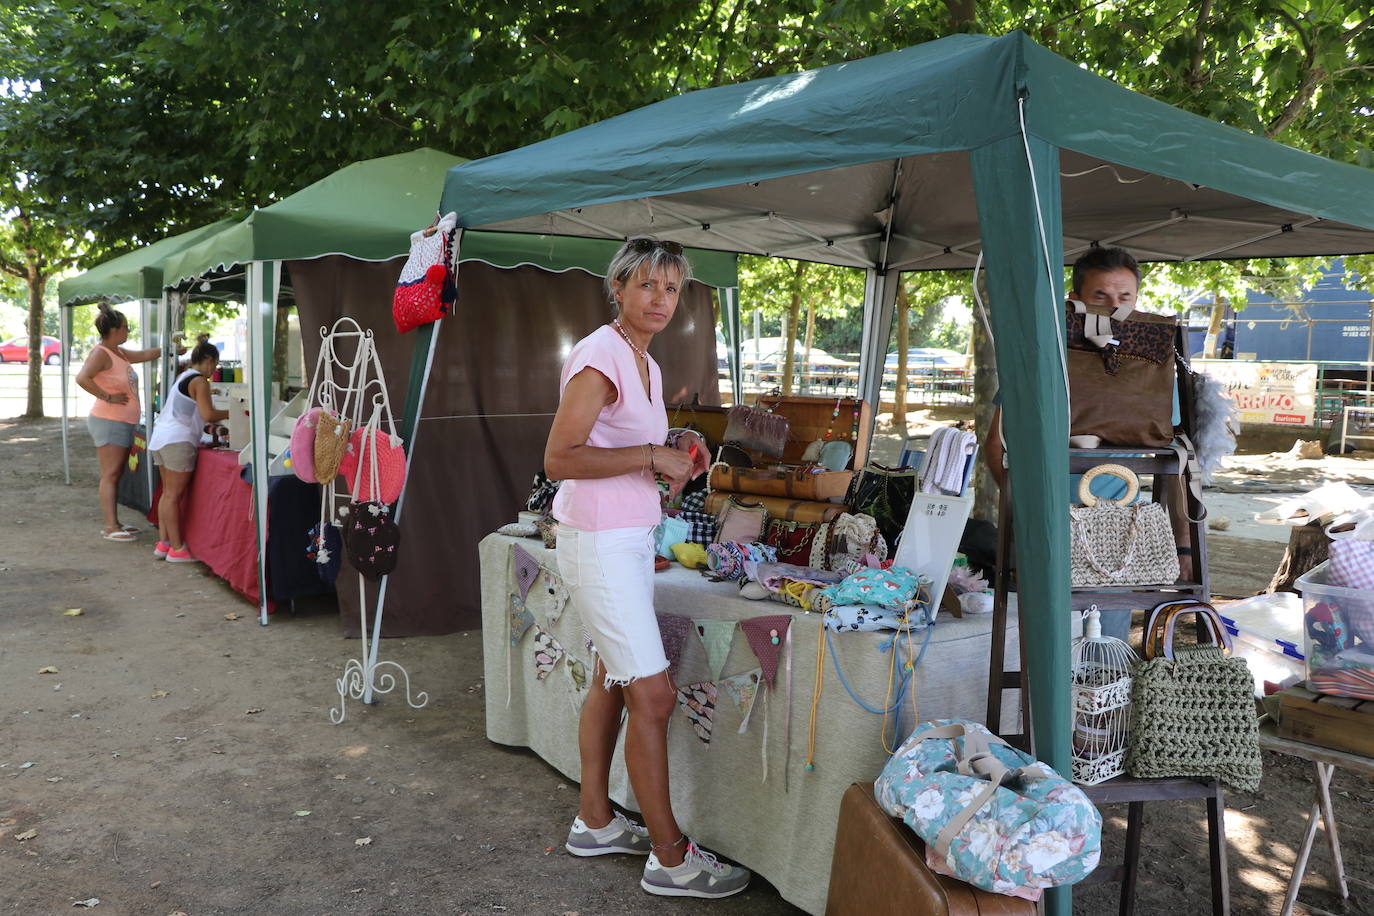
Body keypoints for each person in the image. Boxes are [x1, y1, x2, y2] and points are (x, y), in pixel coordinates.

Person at [544, 238, 749, 899]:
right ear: (619, 289)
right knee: (652, 696)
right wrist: (647, 457)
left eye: (671, 288)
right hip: (599, 540)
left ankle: (596, 821)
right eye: (647, 285)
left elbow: (627, 449)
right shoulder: (603, 354)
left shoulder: (645, 362)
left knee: (612, 676)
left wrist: (670, 454)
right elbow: (560, 458)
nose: (660, 299)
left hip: (627, 536)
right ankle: (670, 858)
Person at [983, 247, 1159, 643]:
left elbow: (1176, 457)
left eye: (1125, 297)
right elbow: (996, 442)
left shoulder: (1153, 366)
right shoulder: (1042, 359)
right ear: (1075, 300)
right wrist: (1023, 506)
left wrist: (1182, 544)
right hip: (1044, 527)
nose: (1115, 307)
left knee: (1103, 657)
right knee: (1037, 652)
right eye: (1101, 296)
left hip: (1119, 535)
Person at [75, 303, 171, 542]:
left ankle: (115, 522)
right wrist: (107, 396)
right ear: (114, 329)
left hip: (122, 421)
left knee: (116, 473)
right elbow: (82, 378)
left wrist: (170, 348)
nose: (128, 332)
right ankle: (109, 526)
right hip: (109, 420)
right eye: (126, 328)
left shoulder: (119, 352)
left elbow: (147, 355)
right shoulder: (101, 353)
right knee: (110, 474)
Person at [147, 341, 229, 563]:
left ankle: (164, 543)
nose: (214, 371)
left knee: (167, 494)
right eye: (215, 365)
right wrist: (238, 412)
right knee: (173, 496)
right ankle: (177, 548)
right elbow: (208, 413)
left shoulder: (182, 378)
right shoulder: (200, 381)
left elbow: (193, 415)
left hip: (160, 438)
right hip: (177, 441)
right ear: (209, 360)